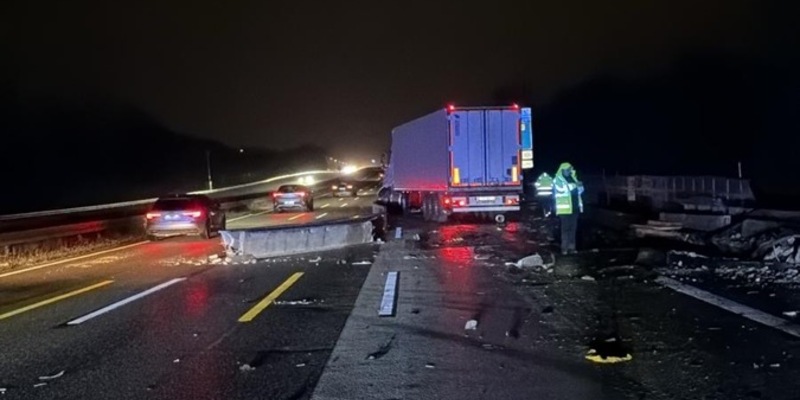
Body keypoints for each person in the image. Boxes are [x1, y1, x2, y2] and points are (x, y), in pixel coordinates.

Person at [553, 162, 584, 255]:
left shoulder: (573, 178)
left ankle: (572, 247)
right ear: (562, 170)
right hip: (564, 210)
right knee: (565, 229)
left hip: (574, 208)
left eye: (570, 169)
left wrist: (580, 186)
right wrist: (575, 185)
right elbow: (562, 189)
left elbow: (580, 191)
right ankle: (564, 248)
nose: (569, 171)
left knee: (573, 229)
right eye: (567, 170)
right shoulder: (557, 180)